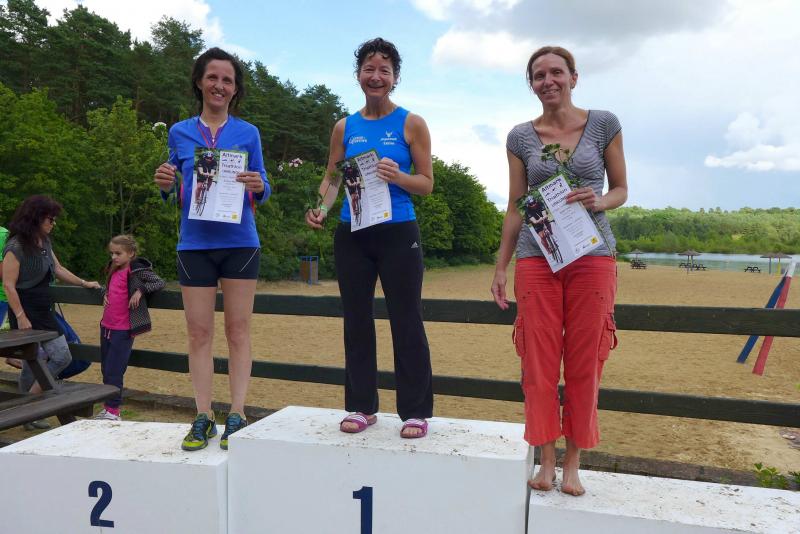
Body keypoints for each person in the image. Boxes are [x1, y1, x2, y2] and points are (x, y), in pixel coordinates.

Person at [490, 46, 628, 495]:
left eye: (556, 72)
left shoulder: (603, 123)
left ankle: (573, 462)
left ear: (573, 77)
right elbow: (516, 205)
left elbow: (621, 188)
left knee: (586, 360)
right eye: (538, 75)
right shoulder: (520, 137)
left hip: (592, 256)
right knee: (538, 363)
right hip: (537, 257)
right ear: (531, 84)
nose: (547, 81)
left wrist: (599, 200)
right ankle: (545, 460)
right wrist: (501, 265)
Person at [306, 38, 434, 439]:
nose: (376, 76)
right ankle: (362, 406)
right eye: (369, 69)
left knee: (406, 319)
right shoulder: (344, 127)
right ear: (358, 75)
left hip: (399, 232)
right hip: (353, 233)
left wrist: (399, 177)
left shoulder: (412, 123)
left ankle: (415, 411)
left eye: (384, 70)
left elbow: (426, 184)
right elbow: (332, 178)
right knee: (357, 320)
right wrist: (320, 209)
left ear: (395, 78)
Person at [153, 47, 270, 451]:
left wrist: (260, 186)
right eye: (213, 77)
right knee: (198, 333)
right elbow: (173, 186)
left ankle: (237, 413)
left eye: (228, 80)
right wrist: (165, 184)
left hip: (240, 243)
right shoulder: (179, 132)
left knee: (238, 331)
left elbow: (263, 185)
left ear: (235, 89)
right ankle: (203, 416)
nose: (220, 85)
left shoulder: (249, 133)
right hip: (195, 245)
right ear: (199, 82)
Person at [2, 196, 102, 398]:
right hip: (25, 309)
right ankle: (31, 402)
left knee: (42, 359)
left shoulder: (44, 242)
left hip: (43, 309)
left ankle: (28, 400)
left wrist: (84, 283)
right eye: (50, 219)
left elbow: (58, 268)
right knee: (52, 357)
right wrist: (21, 316)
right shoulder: (16, 246)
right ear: (36, 218)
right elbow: (8, 284)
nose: (53, 223)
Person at [94, 235, 165, 421]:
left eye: (118, 253)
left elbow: (159, 282)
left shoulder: (137, 271)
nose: (113, 257)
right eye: (111, 253)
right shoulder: (113, 269)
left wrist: (140, 291)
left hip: (123, 329)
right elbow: (111, 288)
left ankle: (114, 410)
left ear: (131, 253)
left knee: (114, 370)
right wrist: (104, 292)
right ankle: (107, 408)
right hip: (106, 326)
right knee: (105, 369)